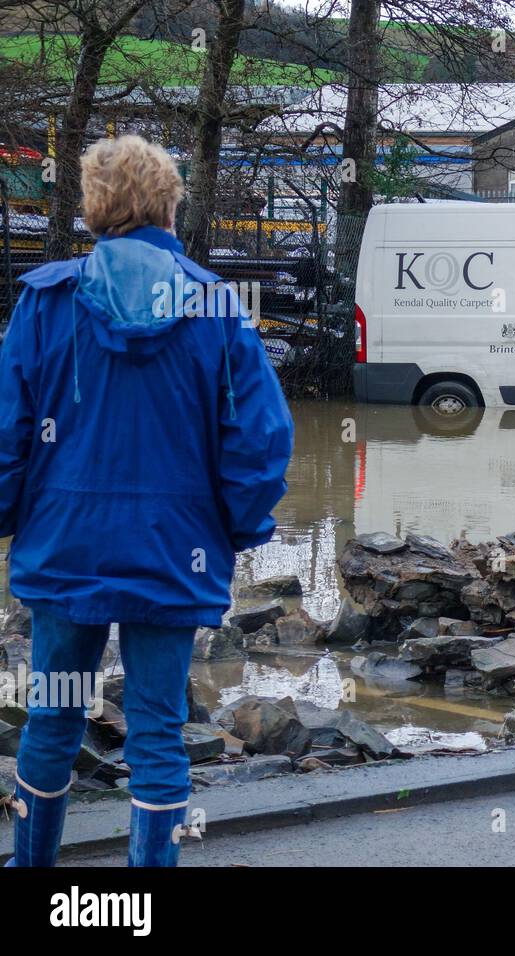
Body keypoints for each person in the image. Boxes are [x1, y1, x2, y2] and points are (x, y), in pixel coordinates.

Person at [0, 135, 293, 866]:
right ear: (168, 204)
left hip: (66, 548)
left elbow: (6, 434)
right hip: (174, 548)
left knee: (53, 717)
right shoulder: (216, 308)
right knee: (159, 730)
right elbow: (259, 440)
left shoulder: (45, 303)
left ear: (94, 207)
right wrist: (235, 527)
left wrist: (11, 521)